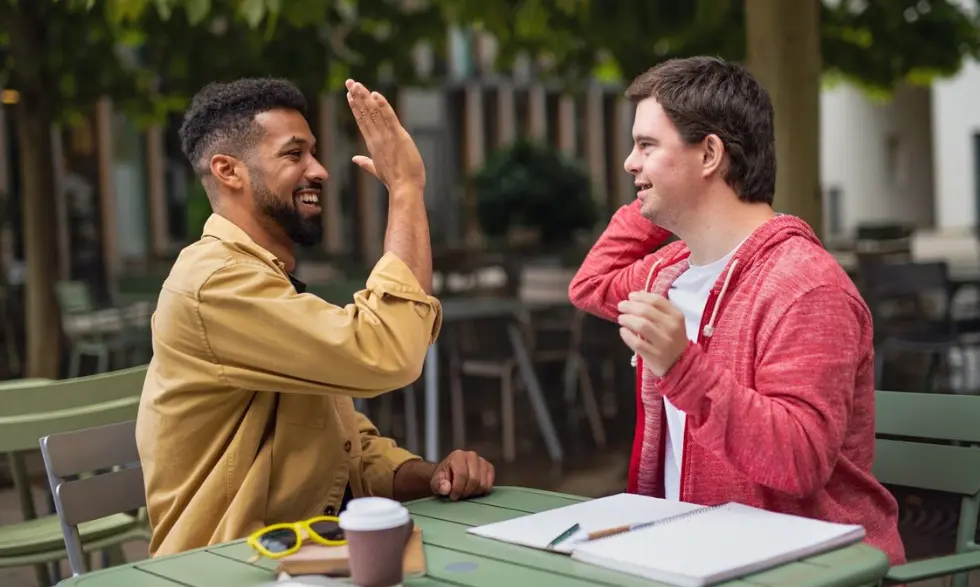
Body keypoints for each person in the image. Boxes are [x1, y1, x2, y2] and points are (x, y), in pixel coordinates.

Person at [136, 77, 495, 557]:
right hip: (226, 566)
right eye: (294, 154)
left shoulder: (260, 277)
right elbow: (386, 351)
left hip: (302, 556)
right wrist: (406, 188)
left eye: (314, 153)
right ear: (228, 171)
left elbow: (343, 445)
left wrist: (431, 476)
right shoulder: (215, 283)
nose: (320, 171)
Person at [568, 57, 905, 565]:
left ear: (709, 154)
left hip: (809, 569)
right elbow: (590, 285)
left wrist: (681, 368)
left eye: (646, 146)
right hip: (697, 555)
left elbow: (800, 460)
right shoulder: (670, 272)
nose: (628, 163)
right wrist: (652, 203)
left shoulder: (807, 287)